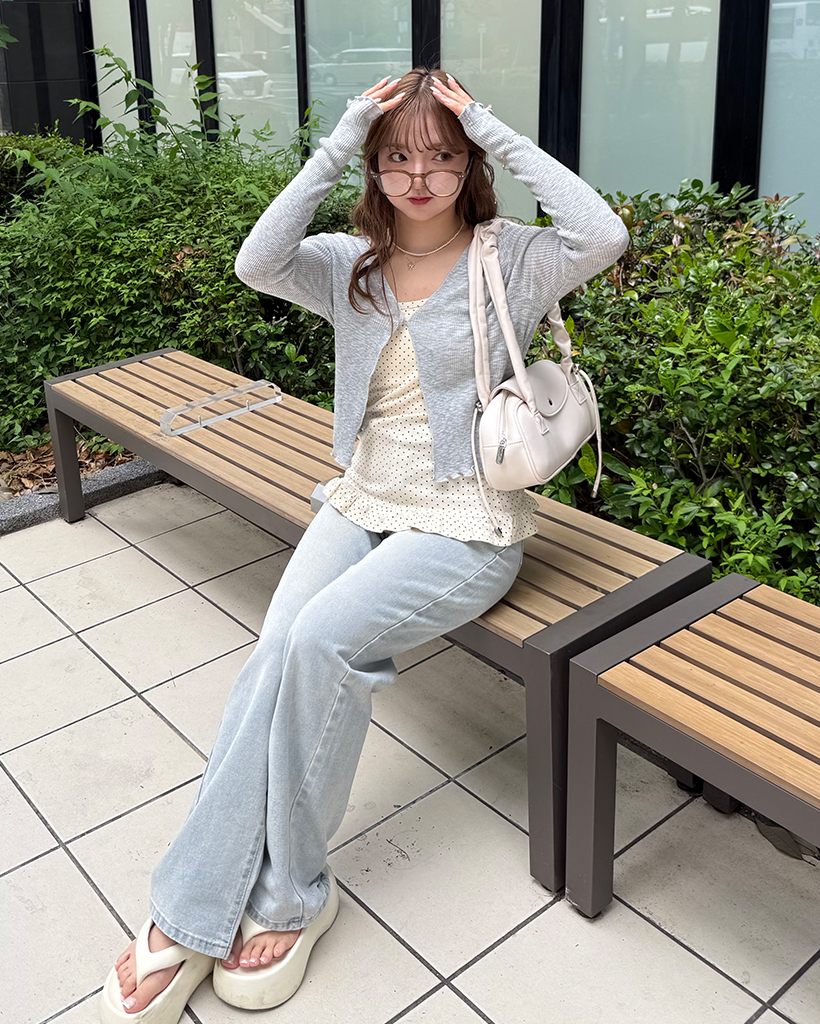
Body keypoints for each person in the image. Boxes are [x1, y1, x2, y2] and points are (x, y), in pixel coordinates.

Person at [101, 67, 629, 1022]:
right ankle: (191, 908)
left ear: (469, 164)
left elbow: (603, 234)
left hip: (468, 522)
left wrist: (493, 126)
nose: (419, 177)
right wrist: (340, 140)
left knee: (318, 642)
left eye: (442, 157)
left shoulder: (510, 257)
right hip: (362, 498)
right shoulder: (350, 264)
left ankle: (290, 897)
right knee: (274, 652)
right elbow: (256, 261)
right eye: (397, 159)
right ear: (374, 167)